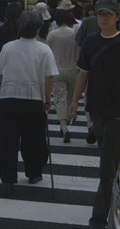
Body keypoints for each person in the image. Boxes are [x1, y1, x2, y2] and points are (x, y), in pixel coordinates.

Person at [69, 0, 120, 229]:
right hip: (96, 110)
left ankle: (98, 219)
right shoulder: (91, 41)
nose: (103, 18)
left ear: (118, 17)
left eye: (108, 14)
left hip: (119, 112)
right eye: (100, 14)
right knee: (109, 160)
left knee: (106, 168)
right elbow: (83, 74)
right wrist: (74, 101)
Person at [0, 11, 59, 197]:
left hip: (8, 98)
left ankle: (8, 178)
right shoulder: (44, 50)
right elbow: (49, 79)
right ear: (38, 28)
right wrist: (47, 99)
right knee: (34, 139)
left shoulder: (8, 47)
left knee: (7, 142)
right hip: (34, 100)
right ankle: (34, 172)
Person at [46, 10, 78, 143]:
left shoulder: (52, 34)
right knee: (70, 99)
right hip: (73, 69)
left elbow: (47, 52)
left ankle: (64, 127)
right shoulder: (75, 33)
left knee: (60, 99)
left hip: (58, 70)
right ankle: (70, 117)